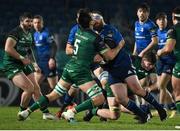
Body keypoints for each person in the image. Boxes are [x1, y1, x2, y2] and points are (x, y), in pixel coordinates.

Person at [18, 8, 121, 122]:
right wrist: (120, 45)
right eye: (91, 18)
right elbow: (110, 56)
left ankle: (26, 111)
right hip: (81, 70)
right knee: (99, 99)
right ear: (90, 22)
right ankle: (71, 112)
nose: (94, 19)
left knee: (53, 95)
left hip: (69, 67)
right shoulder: (95, 37)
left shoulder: (78, 31)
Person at [82, 11, 167, 124]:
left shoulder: (109, 30)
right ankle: (95, 111)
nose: (94, 20)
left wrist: (97, 56)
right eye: (92, 19)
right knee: (118, 106)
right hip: (111, 70)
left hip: (122, 64)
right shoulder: (91, 35)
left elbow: (114, 48)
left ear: (101, 19)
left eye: (96, 18)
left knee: (138, 90)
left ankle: (158, 109)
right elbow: (97, 56)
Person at [2, 12, 55, 120]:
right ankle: (22, 112)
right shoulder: (15, 32)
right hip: (11, 65)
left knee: (36, 88)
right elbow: (8, 48)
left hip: (24, 63)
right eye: (27, 21)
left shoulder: (29, 33)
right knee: (29, 88)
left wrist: (35, 64)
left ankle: (46, 113)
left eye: (31, 21)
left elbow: (29, 51)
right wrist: (22, 58)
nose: (30, 23)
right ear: (21, 22)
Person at [133, 2, 159, 115]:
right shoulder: (136, 24)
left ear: (148, 13)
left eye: (144, 11)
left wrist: (143, 52)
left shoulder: (151, 25)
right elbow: (136, 40)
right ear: (137, 13)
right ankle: (144, 109)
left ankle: (145, 108)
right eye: (140, 11)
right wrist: (135, 53)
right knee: (138, 84)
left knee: (147, 83)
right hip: (139, 57)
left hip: (148, 57)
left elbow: (155, 41)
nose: (141, 13)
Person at [157, 6, 180, 117]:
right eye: (160, 19)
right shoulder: (157, 32)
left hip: (173, 62)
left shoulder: (172, 30)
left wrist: (160, 52)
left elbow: (168, 48)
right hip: (161, 63)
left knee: (169, 88)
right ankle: (171, 106)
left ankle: (161, 108)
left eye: (164, 19)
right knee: (160, 86)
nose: (162, 21)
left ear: (171, 17)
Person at [32, 15, 58, 92]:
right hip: (40, 63)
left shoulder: (46, 33)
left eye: (38, 22)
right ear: (33, 24)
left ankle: (69, 102)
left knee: (54, 88)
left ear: (42, 23)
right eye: (35, 23)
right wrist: (34, 63)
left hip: (49, 63)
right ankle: (39, 103)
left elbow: (54, 46)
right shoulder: (35, 35)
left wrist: (52, 58)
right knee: (33, 86)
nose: (37, 24)